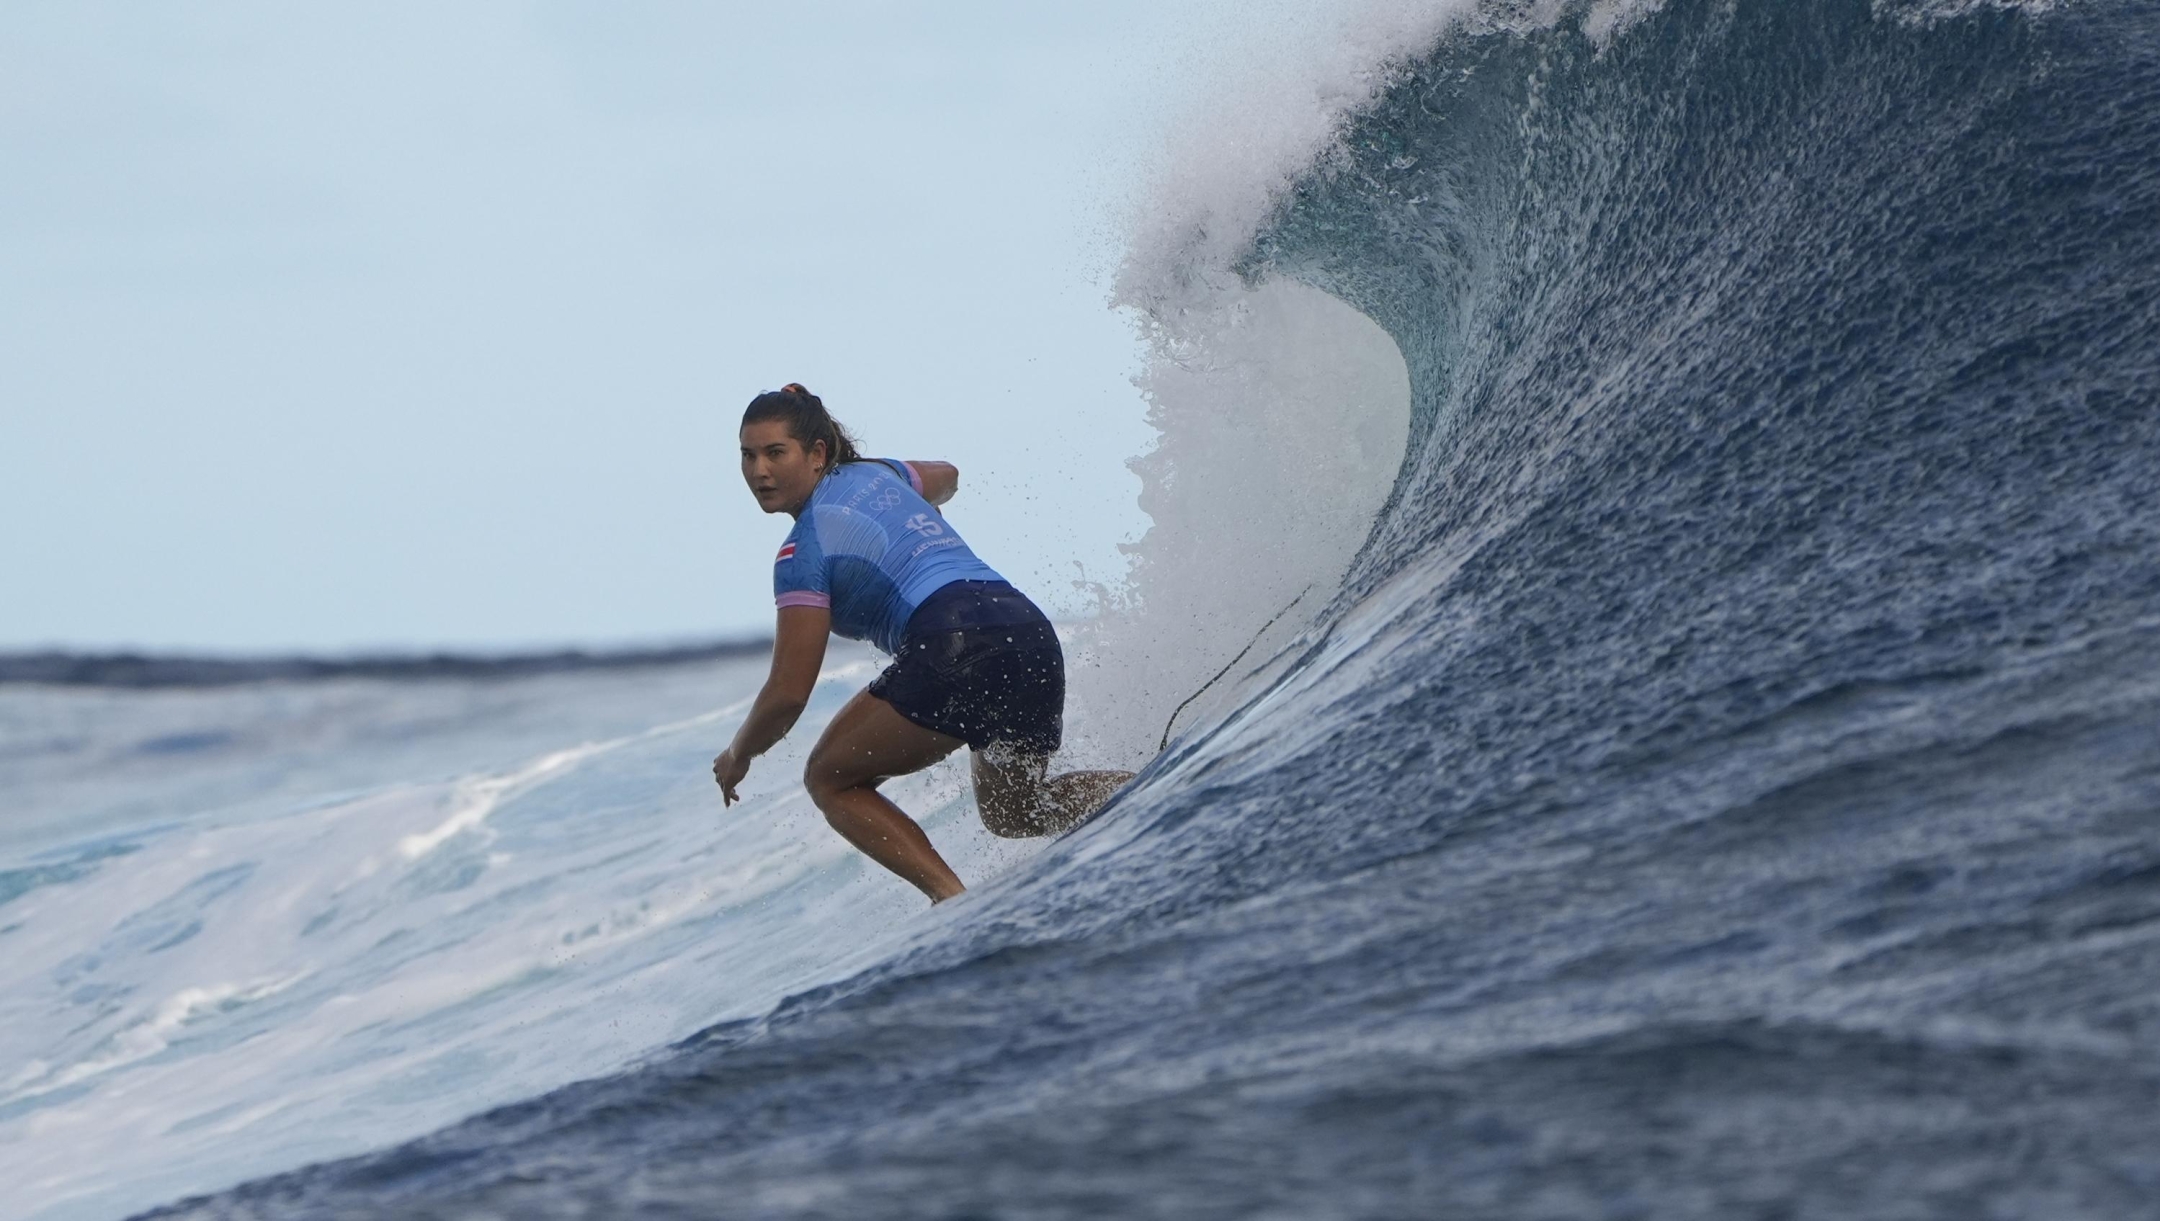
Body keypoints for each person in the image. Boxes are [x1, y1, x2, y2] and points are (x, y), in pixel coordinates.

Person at [712, 384, 1133, 903]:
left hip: (953, 642)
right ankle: (1160, 783)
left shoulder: (802, 552)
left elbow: (788, 694)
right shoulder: (882, 474)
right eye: (748, 456)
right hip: (1027, 630)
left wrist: (738, 755)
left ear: (817, 454)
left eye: (776, 453)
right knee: (1017, 811)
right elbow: (948, 476)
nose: (759, 472)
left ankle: (955, 905)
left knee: (829, 779)